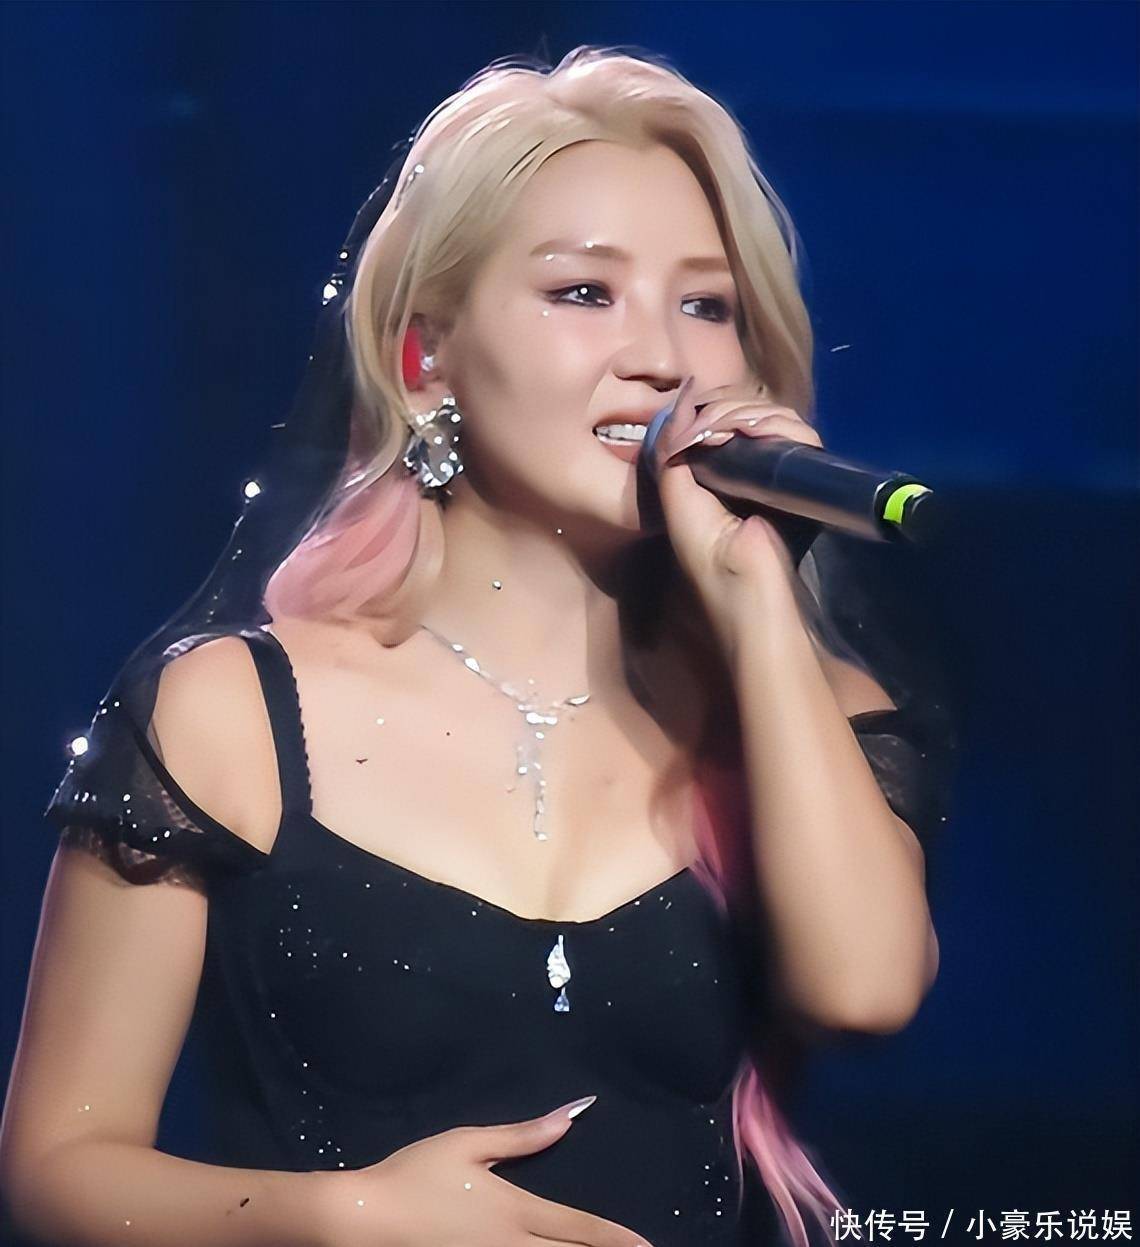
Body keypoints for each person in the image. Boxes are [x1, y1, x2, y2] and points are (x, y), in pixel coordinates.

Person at [0, 45, 958, 1247]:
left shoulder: (803, 714)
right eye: (585, 292)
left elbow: (864, 990)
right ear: (426, 355)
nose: (663, 357)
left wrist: (756, 596)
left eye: (707, 306)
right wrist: (341, 1215)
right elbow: (59, 1164)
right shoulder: (227, 714)